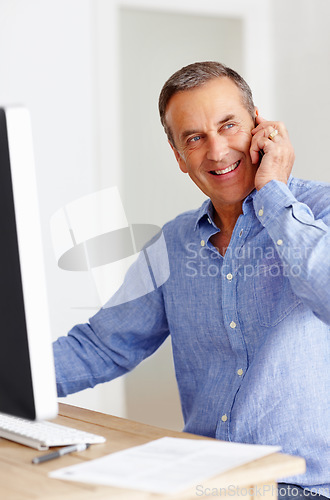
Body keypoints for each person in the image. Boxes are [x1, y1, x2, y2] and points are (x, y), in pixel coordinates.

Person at [54, 62, 330, 498]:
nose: (217, 151)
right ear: (180, 157)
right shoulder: (174, 242)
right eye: (195, 138)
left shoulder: (321, 212)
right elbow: (102, 344)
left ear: (260, 126)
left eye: (229, 126)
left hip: (305, 487)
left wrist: (274, 193)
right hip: (209, 482)